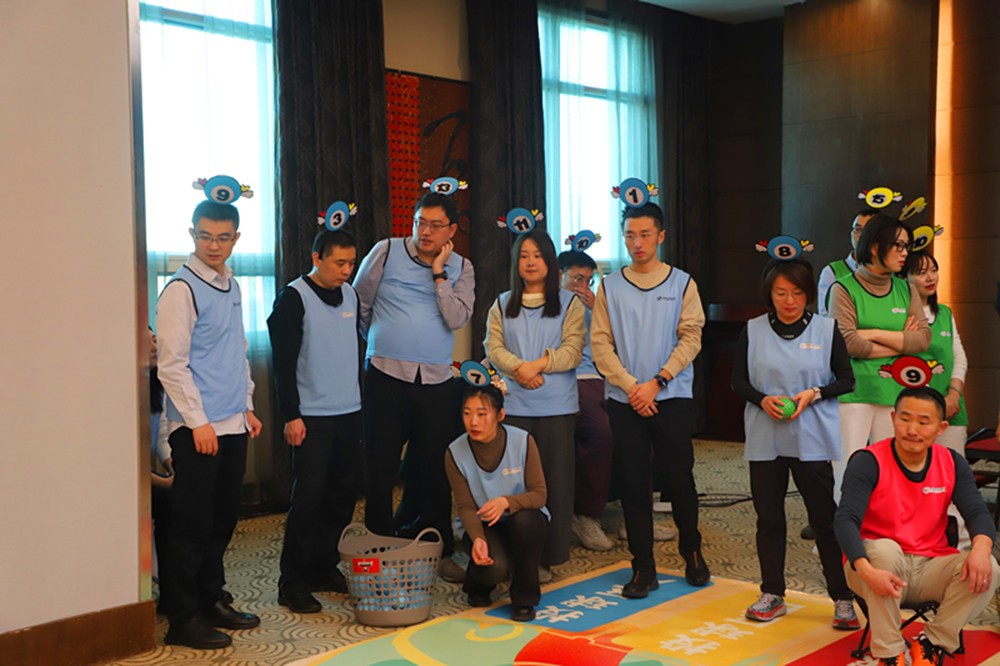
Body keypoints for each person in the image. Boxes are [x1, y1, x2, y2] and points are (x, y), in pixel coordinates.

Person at [156, 199, 263, 649]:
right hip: (198, 428)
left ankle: (211, 598)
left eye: (222, 238)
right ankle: (183, 618)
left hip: (233, 421)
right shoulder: (181, 290)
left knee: (221, 519)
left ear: (235, 239)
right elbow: (172, 365)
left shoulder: (230, 283)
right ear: (192, 235)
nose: (213, 245)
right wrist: (198, 423)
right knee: (191, 524)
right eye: (205, 236)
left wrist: (247, 405)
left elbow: (236, 350)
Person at [590, 201, 710, 598]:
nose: (637, 243)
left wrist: (657, 382)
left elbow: (691, 337)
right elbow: (600, 343)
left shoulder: (682, 283)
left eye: (644, 235)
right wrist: (631, 387)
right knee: (632, 482)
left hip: (670, 395)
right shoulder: (609, 286)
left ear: (660, 236)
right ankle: (643, 566)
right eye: (630, 236)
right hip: (625, 399)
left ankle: (692, 551)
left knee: (679, 479)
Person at [731, 258, 858, 628]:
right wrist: (762, 400)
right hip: (765, 437)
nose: (789, 301)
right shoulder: (753, 330)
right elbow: (738, 381)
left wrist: (813, 394)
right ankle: (772, 593)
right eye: (781, 293)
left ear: (808, 294)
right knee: (769, 519)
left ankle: (843, 598)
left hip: (812, 437)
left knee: (824, 520)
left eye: (797, 293)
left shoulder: (826, 329)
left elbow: (846, 380)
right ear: (769, 294)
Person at [354, 191, 474, 582]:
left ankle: (439, 550)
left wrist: (439, 275)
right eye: (420, 222)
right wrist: (382, 342)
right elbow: (360, 305)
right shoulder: (386, 251)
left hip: (436, 381)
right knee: (380, 467)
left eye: (436, 225)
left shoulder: (462, 267)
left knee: (436, 469)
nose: (425, 231)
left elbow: (456, 318)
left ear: (451, 230)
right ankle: (378, 549)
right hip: (386, 375)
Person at [834, 386, 1000, 666]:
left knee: (989, 568)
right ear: (893, 418)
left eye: (923, 422)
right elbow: (845, 519)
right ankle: (890, 654)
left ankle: (931, 643)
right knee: (884, 550)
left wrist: (981, 551)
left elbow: (977, 513)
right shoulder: (868, 461)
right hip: (873, 568)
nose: (912, 429)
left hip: (929, 566)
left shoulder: (951, 462)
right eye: (905, 418)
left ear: (940, 427)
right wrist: (865, 569)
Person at [267, 229, 362, 614]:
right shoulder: (293, 298)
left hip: (349, 411)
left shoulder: (351, 294)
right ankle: (292, 581)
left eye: (351, 263)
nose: (346, 270)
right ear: (316, 258)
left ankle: (324, 566)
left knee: (342, 496)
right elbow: (283, 364)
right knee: (308, 499)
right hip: (311, 417)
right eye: (339, 263)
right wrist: (291, 415)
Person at [485, 230, 585, 581]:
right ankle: (514, 556)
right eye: (524, 256)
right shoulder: (501, 304)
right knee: (514, 487)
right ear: (516, 262)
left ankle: (547, 557)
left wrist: (538, 365)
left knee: (555, 485)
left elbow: (573, 350)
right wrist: (519, 369)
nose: (530, 262)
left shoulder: (570, 304)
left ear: (550, 261)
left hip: (556, 408)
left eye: (538, 255)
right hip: (514, 407)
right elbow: (493, 348)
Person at [828, 214, 930, 499]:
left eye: (907, 246)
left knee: (891, 474)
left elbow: (922, 340)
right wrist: (901, 342)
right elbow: (848, 344)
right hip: (854, 394)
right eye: (898, 245)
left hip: (895, 394)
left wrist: (872, 333)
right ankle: (846, 528)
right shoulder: (843, 288)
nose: (905, 253)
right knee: (848, 474)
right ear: (874, 247)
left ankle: (884, 528)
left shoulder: (906, 289)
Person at [445, 384, 549, 622]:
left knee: (526, 522)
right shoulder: (454, 452)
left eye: (482, 414)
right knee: (494, 567)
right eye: (467, 413)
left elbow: (539, 495)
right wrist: (478, 538)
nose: (474, 422)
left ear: (500, 415)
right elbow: (466, 507)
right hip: (484, 524)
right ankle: (477, 583)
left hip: (522, 518)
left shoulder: (522, 441)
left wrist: (506, 502)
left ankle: (524, 600)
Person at [816, 208, 877, 317]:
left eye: (867, 231)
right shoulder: (832, 272)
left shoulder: (893, 271)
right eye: (857, 229)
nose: (861, 235)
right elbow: (827, 317)